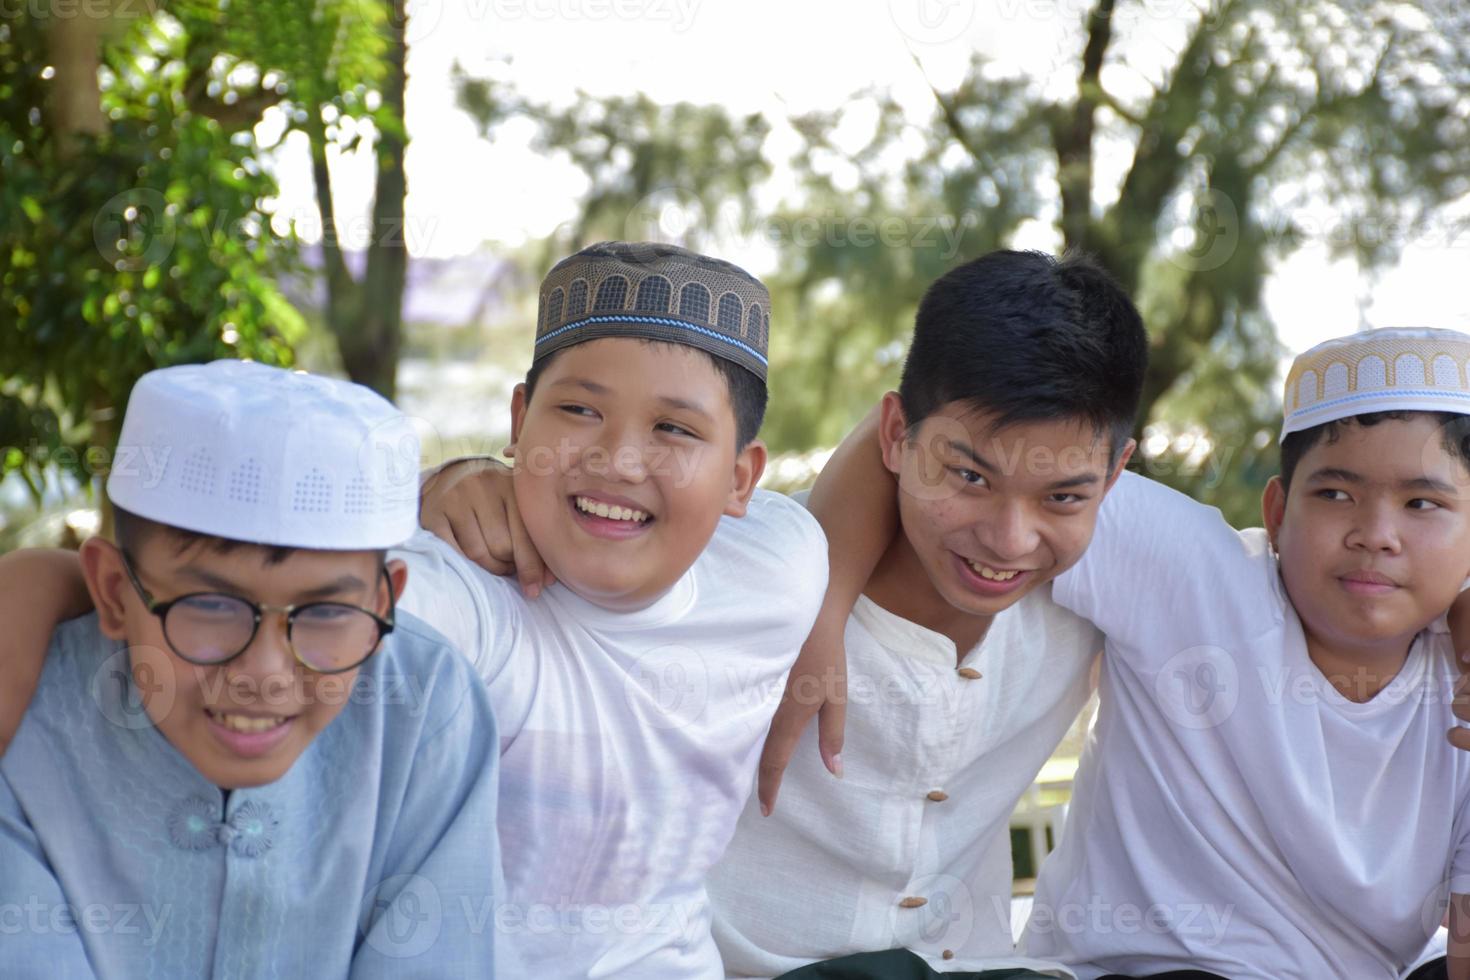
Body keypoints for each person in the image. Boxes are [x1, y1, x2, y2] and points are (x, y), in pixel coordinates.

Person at [418, 249, 1149, 977]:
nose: (1008, 537)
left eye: (1061, 498)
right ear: (899, 438)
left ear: (1113, 479)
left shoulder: (1099, 571)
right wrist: (443, 481)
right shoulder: (723, 573)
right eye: (967, 475)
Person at [798, 327, 1470, 979]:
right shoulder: (1193, 571)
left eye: (1421, 503)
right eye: (1335, 494)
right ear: (1276, 511)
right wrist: (822, 611)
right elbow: (924, 436)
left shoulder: (1459, 687)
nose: (1376, 535)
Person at [0, 360, 504, 978]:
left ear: (382, 601)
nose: (265, 672)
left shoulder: (427, 708)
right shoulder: (26, 713)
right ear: (111, 591)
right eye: (209, 606)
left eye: (325, 611)